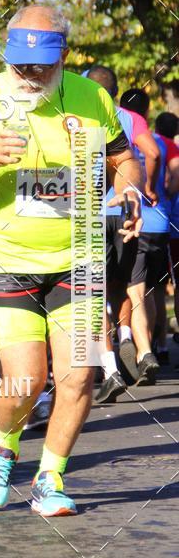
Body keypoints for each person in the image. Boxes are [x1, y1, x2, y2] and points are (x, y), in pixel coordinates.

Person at [0, 4, 142, 516]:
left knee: (79, 376)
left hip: (78, 255)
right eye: (20, 64)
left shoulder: (91, 95)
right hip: (8, 256)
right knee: (26, 380)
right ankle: (2, 448)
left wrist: (131, 190)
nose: (28, 74)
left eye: (41, 65)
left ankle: (50, 477)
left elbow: (125, 160)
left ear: (64, 56)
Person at [86, 70, 160, 401]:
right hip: (125, 210)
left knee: (91, 293)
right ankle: (128, 335)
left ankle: (109, 368)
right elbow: (151, 153)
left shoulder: (77, 115)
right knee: (125, 284)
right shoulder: (130, 118)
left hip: (89, 215)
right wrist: (145, 188)